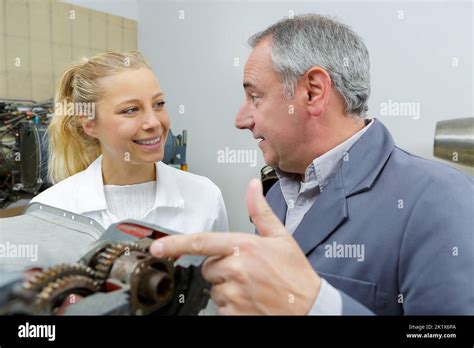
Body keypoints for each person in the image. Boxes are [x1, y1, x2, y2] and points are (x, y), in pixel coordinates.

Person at [149, 14, 473, 315]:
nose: (241, 119)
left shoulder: (439, 199)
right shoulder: (275, 196)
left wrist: (316, 304)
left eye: (255, 97)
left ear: (313, 92)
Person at [30, 51, 228, 234]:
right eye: (131, 110)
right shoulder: (50, 211)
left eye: (158, 104)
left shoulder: (205, 197)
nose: (154, 123)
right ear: (89, 124)